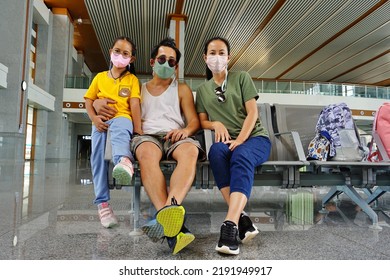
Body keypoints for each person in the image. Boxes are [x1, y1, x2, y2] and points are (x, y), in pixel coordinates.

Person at [93, 37, 205, 255]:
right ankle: (173, 224)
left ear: (176, 67)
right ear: (152, 61)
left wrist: (185, 131)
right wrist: (95, 103)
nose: (166, 64)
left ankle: (167, 213)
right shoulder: (138, 87)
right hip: (147, 137)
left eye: (172, 62)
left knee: (191, 150)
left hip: (175, 136)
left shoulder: (182, 89)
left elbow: (193, 122)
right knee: (145, 153)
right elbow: (110, 101)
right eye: (162, 59)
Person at [195, 37, 271, 255]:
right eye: (212, 52)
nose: (216, 57)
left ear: (228, 57)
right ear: (205, 57)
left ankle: (230, 225)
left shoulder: (242, 78)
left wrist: (241, 140)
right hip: (227, 142)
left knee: (241, 156)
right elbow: (201, 121)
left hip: (255, 139)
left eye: (221, 53)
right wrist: (215, 123)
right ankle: (242, 218)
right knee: (215, 152)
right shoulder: (202, 90)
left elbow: (253, 113)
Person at [84, 36, 142, 229]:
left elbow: (134, 105)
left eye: (125, 53)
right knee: (97, 157)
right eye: (117, 51)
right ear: (110, 52)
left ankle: (123, 161)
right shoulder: (99, 77)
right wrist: (94, 118)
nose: (120, 56)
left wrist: (138, 130)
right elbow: (88, 101)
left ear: (131, 59)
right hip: (100, 122)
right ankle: (103, 205)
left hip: (122, 118)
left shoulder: (132, 80)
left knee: (119, 131)